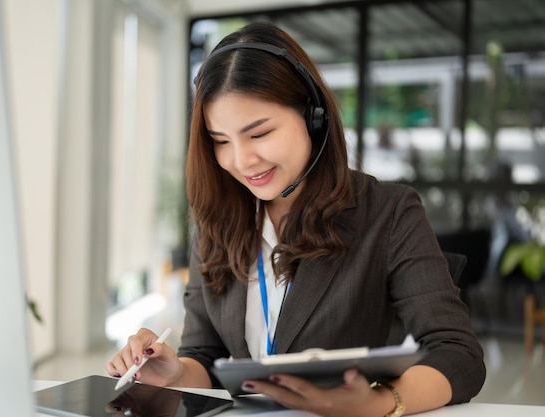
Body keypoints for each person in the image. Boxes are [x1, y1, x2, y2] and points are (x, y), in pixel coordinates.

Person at [107, 22, 485, 416]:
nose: (240, 161)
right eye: (221, 141)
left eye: (259, 133)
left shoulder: (388, 212)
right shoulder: (217, 222)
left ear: (313, 116)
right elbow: (206, 356)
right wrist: (174, 373)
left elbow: (457, 353)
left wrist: (379, 403)